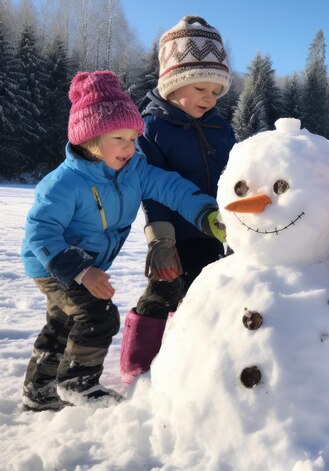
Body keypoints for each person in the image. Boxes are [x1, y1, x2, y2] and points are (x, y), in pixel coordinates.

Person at [21, 70, 225, 410]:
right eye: (120, 139)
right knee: (97, 315)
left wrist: (206, 214)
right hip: (54, 261)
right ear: (91, 138)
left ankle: (39, 391)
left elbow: (171, 188)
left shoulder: (134, 171)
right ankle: (78, 384)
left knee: (62, 323)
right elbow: (41, 232)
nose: (130, 147)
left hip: (85, 263)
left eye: (134, 138)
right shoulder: (64, 183)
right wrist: (82, 272)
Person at [118, 16, 236, 384]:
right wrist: (161, 240)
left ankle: (195, 356)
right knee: (163, 291)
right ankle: (138, 363)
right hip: (176, 234)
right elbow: (152, 192)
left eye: (217, 91)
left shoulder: (222, 129)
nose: (209, 98)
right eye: (201, 87)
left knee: (209, 294)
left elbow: (233, 179)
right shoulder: (152, 129)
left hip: (216, 231)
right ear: (173, 83)